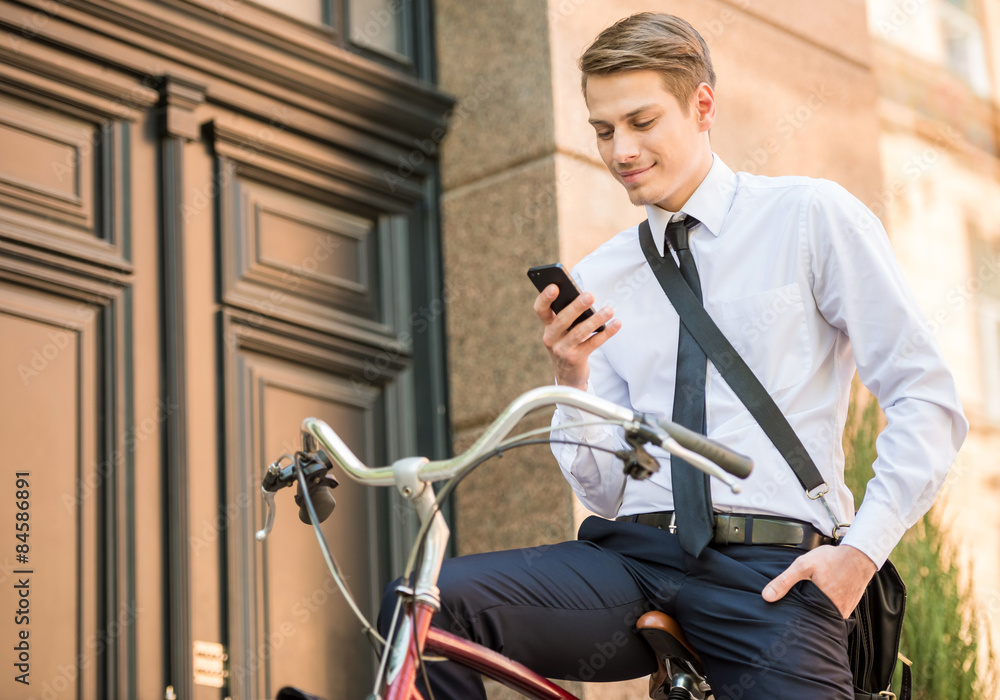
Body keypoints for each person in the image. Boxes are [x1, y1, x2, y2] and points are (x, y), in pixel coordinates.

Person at [379, 12, 968, 699]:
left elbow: (925, 399)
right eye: (602, 130)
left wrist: (860, 555)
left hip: (770, 572)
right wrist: (574, 375)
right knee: (430, 603)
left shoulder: (808, 218)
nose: (620, 149)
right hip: (632, 558)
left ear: (702, 107)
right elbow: (605, 490)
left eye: (641, 122)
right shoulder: (604, 273)